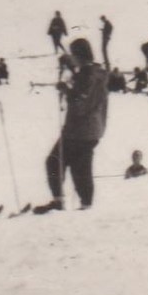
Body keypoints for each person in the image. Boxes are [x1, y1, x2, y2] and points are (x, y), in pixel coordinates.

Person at [38, 39, 110, 213]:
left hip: (80, 130)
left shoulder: (88, 76)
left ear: (80, 55)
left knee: (59, 162)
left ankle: (66, 202)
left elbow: (81, 103)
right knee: (77, 165)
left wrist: (66, 91)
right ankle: (83, 203)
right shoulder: (96, 72)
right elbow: (83, 85)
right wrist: (70, 69)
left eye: (74, 54)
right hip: (91, 129)